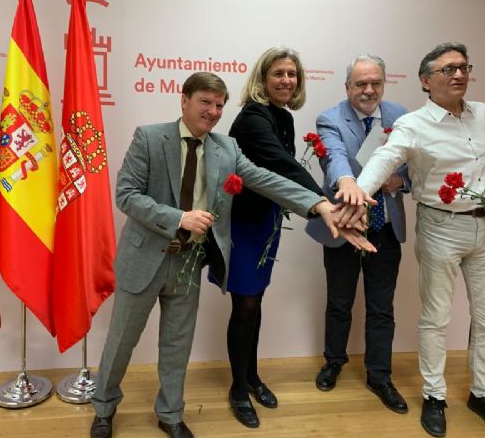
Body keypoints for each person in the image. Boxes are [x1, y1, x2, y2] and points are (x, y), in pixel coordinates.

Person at [90, 72, 375, 438]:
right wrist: (180, 218)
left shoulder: (226, 149)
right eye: (205, 102)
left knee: (177, 346)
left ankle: (171, 414)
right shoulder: (149, 137)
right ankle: (104, 408)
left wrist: (319, 205)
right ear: (184, 100)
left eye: (219, 105)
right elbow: (127, 195)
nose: (212, 111)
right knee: (120, 343)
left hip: (188, 262)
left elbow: (267, 179)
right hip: (144, 259)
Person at [354, 43, 485, 437]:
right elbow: (384, 159)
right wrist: (358, 195)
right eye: (447, 70)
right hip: (441, 227)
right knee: (436, 318)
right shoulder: (414, 124)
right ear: (426, 81)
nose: (458, 75)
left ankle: (484, 394)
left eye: (463, 67)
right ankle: (435, 396)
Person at [207, 46, 327, 428]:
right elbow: (282, 164)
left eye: (292, 74)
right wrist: (324, 201)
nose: (287, 81)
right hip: (242, 226)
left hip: (265, 223)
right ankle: (239, 390)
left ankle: (252, 377)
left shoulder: (283, 116)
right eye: (278, 74)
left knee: (254, 303)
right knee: (244, 307)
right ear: (262, 79)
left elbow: (281, 174)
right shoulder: (254, 117)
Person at [305, 54, 410, 414]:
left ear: (384, 83)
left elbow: (415, 167)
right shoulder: (330, 119)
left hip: (385, 226)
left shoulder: (401, 116)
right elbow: (333, 158)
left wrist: (400, 180)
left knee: (382, 308)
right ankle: (334, 361)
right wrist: (349, 182)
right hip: (344, 224)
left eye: (375, 83)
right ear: (347, 86)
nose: (369, 90)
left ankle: (380, 375)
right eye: (361, 84)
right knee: (339, 302)